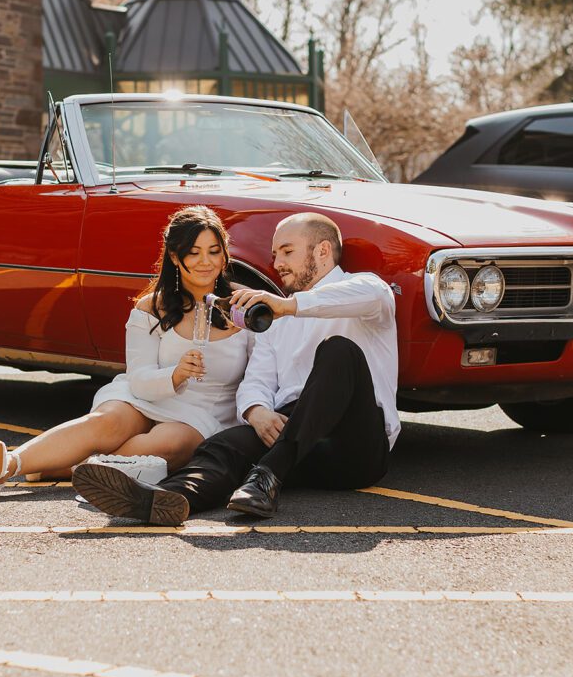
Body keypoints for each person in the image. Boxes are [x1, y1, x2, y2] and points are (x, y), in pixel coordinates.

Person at [73, 212, 399, 525]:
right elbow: (256, 380)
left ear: (323, 250)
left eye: (287, 251)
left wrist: (287, 305)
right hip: (300, 443)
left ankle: (267, 474)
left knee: (338, 352)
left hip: (355, 445)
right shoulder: (276, 322)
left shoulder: (366, 290)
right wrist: (257, 411)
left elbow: (369, 296)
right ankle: (164, 499)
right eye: (276, 254)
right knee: (222, 445)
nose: (277, 263)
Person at [0, 205, 252, 496]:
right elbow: (139, 380)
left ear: (225, 253)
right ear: (174, 256)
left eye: (214, 251)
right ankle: (7, 465)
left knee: (169, 445)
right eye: (194, 252)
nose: (206, 262)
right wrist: (177, 374)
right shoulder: (150, 307)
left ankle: (69, 464)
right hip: (145, 393)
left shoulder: (244, 306)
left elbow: (262, 373)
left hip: (203, 412)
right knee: (107, 423)